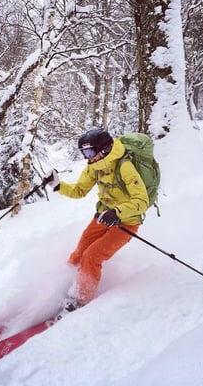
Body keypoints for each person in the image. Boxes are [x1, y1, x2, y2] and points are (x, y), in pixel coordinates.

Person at [44, 129, 149, 316]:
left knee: (91, 257)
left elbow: (142, 201)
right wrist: (58, 185)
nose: (87, 158)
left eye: (90, 153)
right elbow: (79, 191)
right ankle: (63, 287)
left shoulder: (125, 166)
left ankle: (80, 300)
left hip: (126, 223)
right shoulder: (94, 166)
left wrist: (117, 211)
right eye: (84, 153)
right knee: (78, 254)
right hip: (103, 217)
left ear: (105, 149)